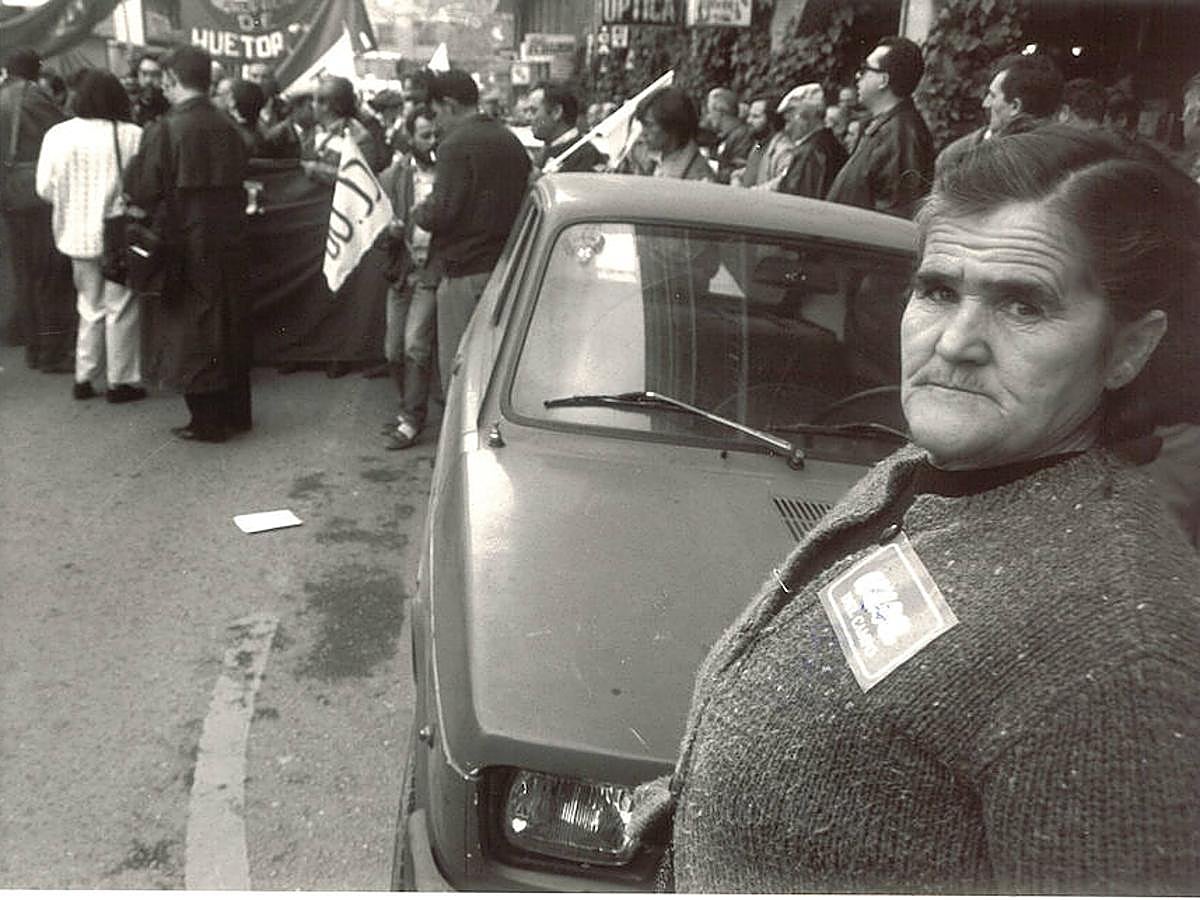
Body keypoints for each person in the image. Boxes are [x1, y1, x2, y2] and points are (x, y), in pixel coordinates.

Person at [627, 125, 1200, 893]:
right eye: (937, 289)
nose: (958, 341)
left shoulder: (1122, 657)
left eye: (1024, 306)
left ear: (1130, 349)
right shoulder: (936, 468)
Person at [124, 44, 251, 443]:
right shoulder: (229, 126)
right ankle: (235, 413)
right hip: (229, 238)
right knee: (227, 321)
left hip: (184, 241)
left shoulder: (165, 128)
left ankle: (206, 420)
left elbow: (143, 189)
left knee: (192, 329)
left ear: (172, 80)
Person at [413, 69, 530, 395]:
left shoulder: (454, 145)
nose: (435, 124)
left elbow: (442, 211)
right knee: (492, 368)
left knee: (459, 371)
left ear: (449, 105)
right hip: (504, 269)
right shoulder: (509, 139)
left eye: (435, 114)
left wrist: (418, 212)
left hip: (463, 271)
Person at [36, 69, 145, 403]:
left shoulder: (57, 134)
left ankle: (84, 377)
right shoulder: (132, 135)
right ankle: (121, 381)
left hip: (74, 234)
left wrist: (71, 204)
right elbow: (142, 186)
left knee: (88, 304)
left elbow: (44, 189)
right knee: (121, 306)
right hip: (117, 235)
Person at [0, 46, 76, 373]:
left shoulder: (2, 96)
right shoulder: (35, 96)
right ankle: (52, 352)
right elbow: (63, 132)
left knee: (25, 274)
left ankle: (34, 346)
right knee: (50, 274)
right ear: (35, 68)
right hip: (37, 195)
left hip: (11, 196)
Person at [380, 105, 439, 450]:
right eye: (424, 135)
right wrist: (390, 231)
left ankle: (412, 419)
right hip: (403, 271)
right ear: (410, 137)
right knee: (392, 350)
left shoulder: (448, 171)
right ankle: (407, 409)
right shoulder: (396, 175)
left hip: (430, 270)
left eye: (435, 134)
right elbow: (375, 224)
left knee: (415, 344)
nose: (432, 141)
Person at [827, 37, 934, 218]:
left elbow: (895, 218)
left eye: (865, 69)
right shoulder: (888, 128)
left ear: (883, 80)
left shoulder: (901, 135)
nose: (858, 76)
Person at [936, 53, 1063, 176]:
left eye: (992, 96)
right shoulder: (955, 159)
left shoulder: (1063, 161)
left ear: (1015, 106)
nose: (985, 104)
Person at [777, 82, 847, 198]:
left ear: (807, 118)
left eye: (790, 120)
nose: (787, 128)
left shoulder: (811, 154)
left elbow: (799, 201)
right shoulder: (831, 145)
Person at [634, 87, 713, 181]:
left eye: (649, 125)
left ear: (673, 126)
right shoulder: (653, 162)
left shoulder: (698, 178)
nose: (643, 133)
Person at [529, 81, 604, 173]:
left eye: (533, 111)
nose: (528, 117)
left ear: (556, 112)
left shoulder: (586, 156)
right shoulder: (544, 152)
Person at [731, 95, 793, 190]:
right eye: (749, 116)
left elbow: (783, 181)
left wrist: (755, 192)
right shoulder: (759, 145)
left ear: (771, 121)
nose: (749, 121)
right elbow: (755, 168)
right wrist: (738, 176)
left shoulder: (783, 150)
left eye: (755, 117)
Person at [703, 86, 754, 184]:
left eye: (710, 111)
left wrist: (711, 168)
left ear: (720, 112)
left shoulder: (743, 137)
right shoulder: (724, 137)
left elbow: (741, 170)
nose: (708, 116)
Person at [129, 52, 168, 127]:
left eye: (155, 74)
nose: (148, 80)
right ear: (138, 74)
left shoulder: (172, 107)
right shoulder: (129, 104)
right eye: (144, 73)